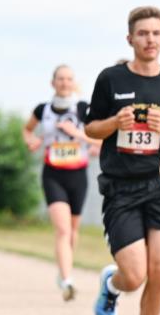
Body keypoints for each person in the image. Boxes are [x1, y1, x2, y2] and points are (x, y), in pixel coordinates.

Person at [83, 5, 160, 315]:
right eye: (142, 33)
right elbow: (91, 129)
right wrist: (115, 121)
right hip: (122, 189)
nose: (149, 39)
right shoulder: (110, 79)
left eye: (156, 33)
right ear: (130, 39)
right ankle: (112, 286)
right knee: (134, 275)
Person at [23, 65, 101, 301]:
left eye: (69, 79)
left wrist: (78, 135)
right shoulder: (42, 109)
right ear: (53, 82)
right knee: (63, 229)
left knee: (73, 230)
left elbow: (97, 136)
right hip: (53, 174)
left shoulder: (83, 108)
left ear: (73, 82)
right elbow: (27, 130)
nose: (65, 83)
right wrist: (32, 141)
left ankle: (63, 267)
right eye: (60, 79)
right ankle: (67, 280)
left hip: (78, 174)